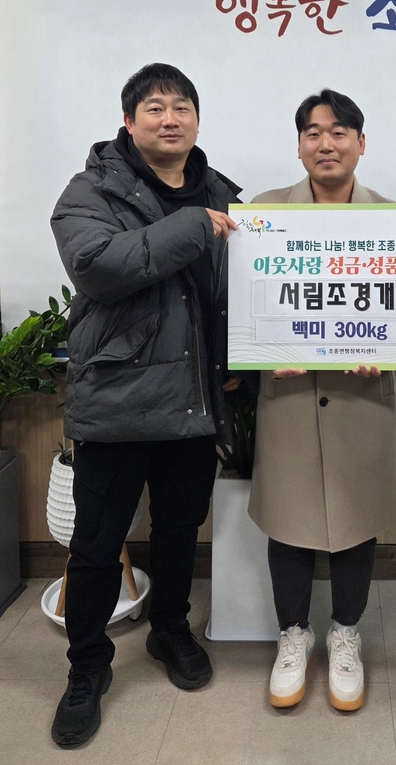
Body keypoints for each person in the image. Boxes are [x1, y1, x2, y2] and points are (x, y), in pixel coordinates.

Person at [49, 63, 242, 748]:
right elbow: (98, 267)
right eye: (154, 107)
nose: (170, 117)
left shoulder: (222, 193)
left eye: (181, 106)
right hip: (118, 401)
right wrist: (192, 227)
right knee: (98, 544)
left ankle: (169, 630)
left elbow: (235, 292)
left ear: (197, 119)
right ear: (128, 123)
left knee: (179, 529)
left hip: (193, 400)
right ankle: (86, 668)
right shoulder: (90, 191)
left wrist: (236, 363)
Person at [248, 88, 396, 712]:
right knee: (288, 518)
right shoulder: (261, 214)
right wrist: (263, 350)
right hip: (287, 392)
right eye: (313, 132)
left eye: (339, 132)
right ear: (299, 145)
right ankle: (293, 635)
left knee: (356, 517)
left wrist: (390, 346)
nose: (326, 143)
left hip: (361, 394)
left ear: (361, 143)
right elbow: (242, 306)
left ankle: (345, 635)